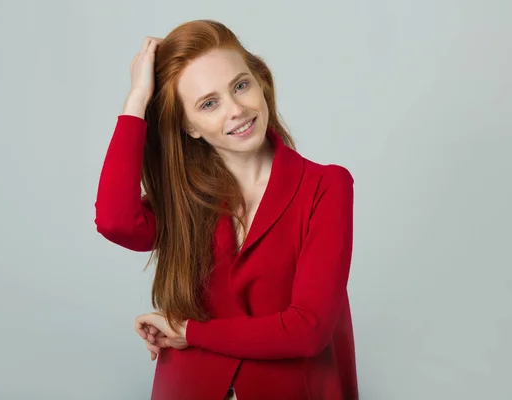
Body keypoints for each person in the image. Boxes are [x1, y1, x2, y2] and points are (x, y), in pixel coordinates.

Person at [94, 19, 358, 400]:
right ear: (189, 126)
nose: (236, 109)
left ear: (261, 82)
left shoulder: (326, 186)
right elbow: (116, 222)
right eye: (209, 103)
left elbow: (309, 329)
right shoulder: (185, 196)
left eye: (241, 85)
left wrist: (190, 331)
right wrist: (137, 99)